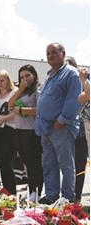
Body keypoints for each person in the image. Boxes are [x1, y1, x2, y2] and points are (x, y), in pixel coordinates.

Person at [36, 42, 82, 204]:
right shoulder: (50, 74)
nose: (50, 56)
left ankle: (67, 198)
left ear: (63, 53)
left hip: (61, 127)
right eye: (48, 53)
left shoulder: (71, 73)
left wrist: (61, 120)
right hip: (46, 128)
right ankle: (51, 196)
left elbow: (74, 100)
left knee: (66, 165)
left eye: (54, 53)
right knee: (49, 164)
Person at [8, 64, 43, 201]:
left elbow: (38, 110)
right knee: (26, 162)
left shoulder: (38, 90)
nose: (25, 79)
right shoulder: (20, 91)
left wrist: (22, 111)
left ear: (34, 75)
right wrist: (20, 88)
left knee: (34, 162)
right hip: (19, 130)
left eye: (28, 75)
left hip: (32, 130)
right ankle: (31, 189)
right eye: (22, 77)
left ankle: (37, 191)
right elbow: (10, 105)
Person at [0, 69, 18, 194]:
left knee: (6, 161)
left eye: (2, 80)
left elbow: (17, 111)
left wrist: (3, 119)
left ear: (8, 80)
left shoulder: (15, 93)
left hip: (10, 128)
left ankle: (10, 190)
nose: (0, 83)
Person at [65, 56, 90, 202]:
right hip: (64, 130)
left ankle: (77, 196)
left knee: (79, 164)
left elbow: (87, 95)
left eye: (72, 65)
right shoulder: (60, 83)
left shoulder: (85, 82)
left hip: (81, 133)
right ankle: (66, 194)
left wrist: (82, 80)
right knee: (66, 165)